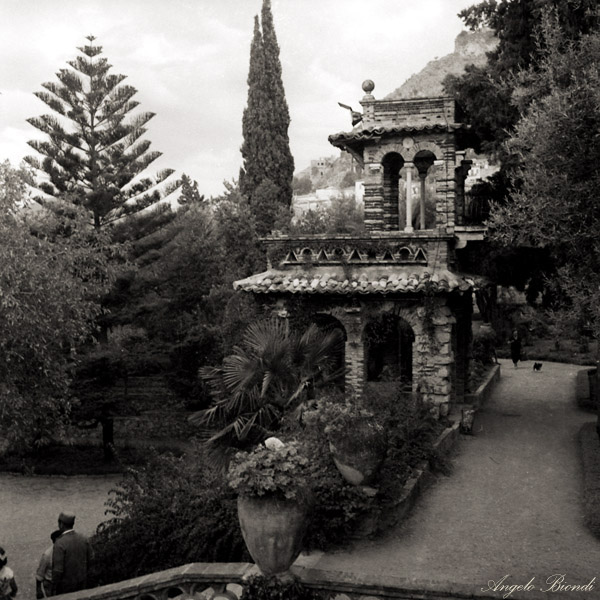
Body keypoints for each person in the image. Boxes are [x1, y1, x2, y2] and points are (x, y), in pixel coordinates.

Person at [52, 512, 92, 596]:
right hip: (83, 585)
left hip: (65, 589)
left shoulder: (60, 543)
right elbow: (91, 560)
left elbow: (58, 571)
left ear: (61, 524)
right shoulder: (84, 539)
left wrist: (54, 589)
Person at [35, 530, 61, 598]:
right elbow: (40, 574)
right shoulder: (47, 555)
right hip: (50, 584)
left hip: (62, 582)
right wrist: (38, 590)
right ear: (55, 541)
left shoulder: (66, 550)